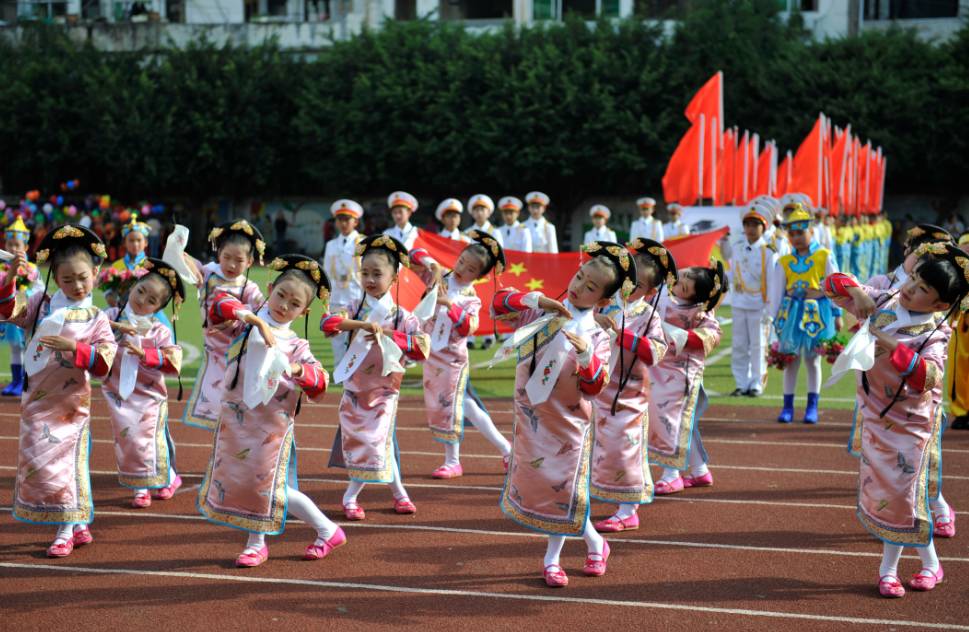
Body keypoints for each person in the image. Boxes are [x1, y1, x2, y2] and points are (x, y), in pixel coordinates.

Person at [824, 241, 969, 597]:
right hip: (875, 418)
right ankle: (930, 565)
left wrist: (888, 343)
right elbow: (833, 284)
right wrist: (856, 292)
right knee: (889, 496)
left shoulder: (934, 333)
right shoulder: (886, 297)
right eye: (913, 278)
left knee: (902, 496)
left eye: (922, 289)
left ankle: (888, 570)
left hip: (910, 426)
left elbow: (928, 378)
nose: (909, 289)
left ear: (938, 305)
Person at [490, 241, 636, 587]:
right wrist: (536, 300)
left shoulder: (598, 333)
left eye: (590, 287)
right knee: (545, 486)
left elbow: (595, 387)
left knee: (564, 488)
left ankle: (551, 559)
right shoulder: (543, 309)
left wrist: (587, 357)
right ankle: (597, 543)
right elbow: (497, 304)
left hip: (568, 421)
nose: (578, 286)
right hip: (532, 415)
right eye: (580, 276)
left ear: (603, 300)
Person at [198, 255, 339, 568]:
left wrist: (298, 369)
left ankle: (258, 543)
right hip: (238, 420)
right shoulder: (245, 322)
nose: (284, 306)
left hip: (269, 427)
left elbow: (320, 383)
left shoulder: (296, 344)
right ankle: (326, 530)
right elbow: (218, 301)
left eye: (294, 303)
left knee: (263, 485)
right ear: (270, 288)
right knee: (248, 483)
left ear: (304, 311)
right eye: (281, 296)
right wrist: (255, 319)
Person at [0, 225, 116, 557]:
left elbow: (104, 362)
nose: (76, 286)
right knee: (42, 464)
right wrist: (9, 273)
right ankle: (78, 522)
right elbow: (7, 311)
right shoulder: (41, 303)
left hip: (71, 405)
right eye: (67, 280)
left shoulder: (97, 318)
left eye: (83, 277)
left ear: (95, 273)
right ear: (55, 278)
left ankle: (65, 528)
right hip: (36, 401)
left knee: (66, 463)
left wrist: (73, 348)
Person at [321, 235, 429, 520]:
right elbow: (327, 324)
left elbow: (421, 348)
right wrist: (360, 325)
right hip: (355, 388)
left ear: (394, 278)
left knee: (374, 441)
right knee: (378, 443)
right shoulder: (354, 306)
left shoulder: (401, 317)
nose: (369, 279)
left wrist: (390, 335)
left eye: (377, 274)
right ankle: (399, 493)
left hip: (385, 391)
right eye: (365, 273)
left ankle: (350, 496)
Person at [410, 230, 511, 478]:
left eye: (469, 268)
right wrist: (432, 265)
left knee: (452, 406)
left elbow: (469, 327)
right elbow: (411, 254)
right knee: (463, 406)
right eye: (462, 261)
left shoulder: (471, 297)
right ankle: (507, 449)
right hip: (432, 354)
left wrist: (449, 305)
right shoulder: (440, 277)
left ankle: (453, 461)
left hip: (452, 358)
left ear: (478, 276)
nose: (461, 268)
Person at [592, 238, 672, 532]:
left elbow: (655, 352)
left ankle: (629, 509)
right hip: (599, 387)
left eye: (637, 286)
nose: (628, 289)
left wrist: (623, 334)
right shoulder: (607, 304)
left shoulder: (649, 316)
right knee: (599, 445)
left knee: (626, 448)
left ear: (650, 292)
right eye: (627, 281)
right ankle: (599, 495)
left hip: (629, 394)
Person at [102, 258, 184, 508]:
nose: (142, 301)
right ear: (133, 286)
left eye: (152, 301)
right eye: (141, 292)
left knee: (147, 440)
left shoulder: (159, 330)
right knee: (128, 440)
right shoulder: (112, 315)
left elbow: (173, 360)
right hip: (118, 392)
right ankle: (164, 478)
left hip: (149, 394)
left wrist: (145, 354)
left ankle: (144, 487)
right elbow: (92, 332)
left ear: (158, 307)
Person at [648, 262, 726, 494]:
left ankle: (671, 474)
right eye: (680, 278)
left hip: (681, 376)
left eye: (684, 288)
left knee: (670, 423)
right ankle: (700, 470)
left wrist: (679, 335)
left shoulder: (700, 311)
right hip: (658, 371)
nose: (677, 286)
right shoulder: (661, 294)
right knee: (679, 423)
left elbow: (710, 335)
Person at [182, 219, 266, 430]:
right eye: (226, 257)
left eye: (238, 260)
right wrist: (177, 244)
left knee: (238, 400)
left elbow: (263, 309)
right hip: (213, 349)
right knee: (214, 401)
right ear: (218, 253)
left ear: (249, 263)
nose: (230, 265)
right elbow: (186, 263)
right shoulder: (208, 274)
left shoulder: (248, 286)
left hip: (239, 351)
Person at [770, 201, 840, 424]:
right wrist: (775, 319)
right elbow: (776, 291)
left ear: (811, 231)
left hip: (816, 314)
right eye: (792, 233)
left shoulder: (824, 255)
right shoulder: (784, 261)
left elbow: (836, 284)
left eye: (801, 232)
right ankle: (787, 407)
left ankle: (812, 407)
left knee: (812, 360)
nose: (797, 237)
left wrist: (837, 314)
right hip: (790, 313)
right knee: (790, 360)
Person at [726, 202, 778, 397]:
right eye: (747, 224)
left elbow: (772, 282)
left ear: (763, 228)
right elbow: (734, 274)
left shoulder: (768, 252)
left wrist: (770, 308)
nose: (750, 229)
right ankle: (741, 382)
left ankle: (756, 382)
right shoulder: (738, 248)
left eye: (754, 225)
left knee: (758, 345)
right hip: (739, 301)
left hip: (759, 304)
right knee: (739, 344)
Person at [0, 216, 44, 397]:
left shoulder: (31, 268)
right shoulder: (3, 268)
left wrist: (26, 295)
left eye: (17, 245)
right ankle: (15, 380)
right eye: (10, 244)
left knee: (26, 346)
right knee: (14, 346)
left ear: (26, 247)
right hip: (8, 315)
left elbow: (40, 289)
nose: (13, 248)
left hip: (26, 315)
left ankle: (26, 381)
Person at [322, 199, 366, 365]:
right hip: (337, 299)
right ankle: (341, 372)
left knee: (358, 338)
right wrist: (326, 301)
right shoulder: (331, 245)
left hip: (357, 297)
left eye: (347, 219)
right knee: (337, 339)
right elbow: (326, 273)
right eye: (339, 220)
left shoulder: (363, 243)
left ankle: (357, 373)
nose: (343, 223)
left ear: (355, 221)